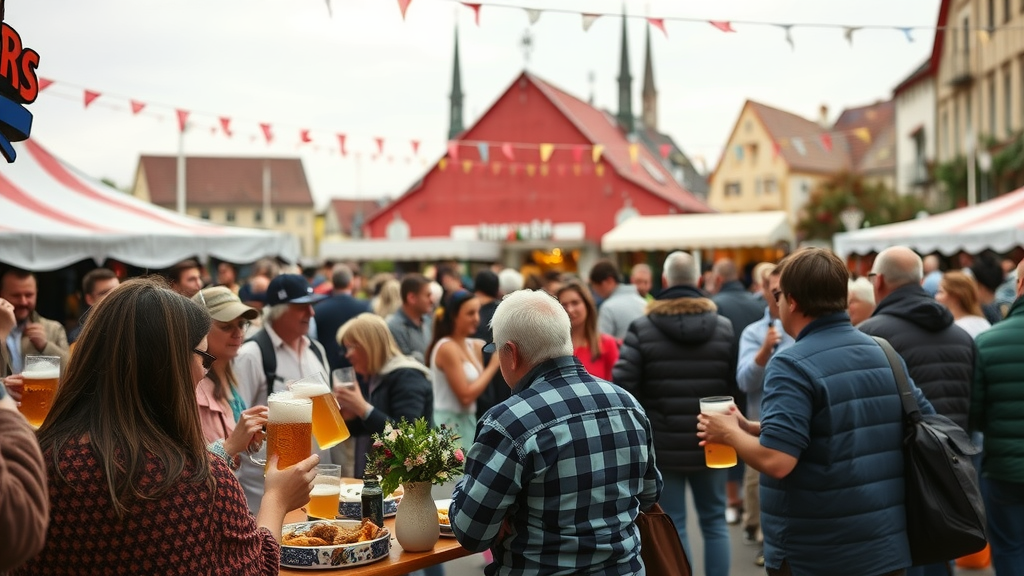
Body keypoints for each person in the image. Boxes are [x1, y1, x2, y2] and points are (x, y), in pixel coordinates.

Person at [13, 278, 319, 575]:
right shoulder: (202, 481)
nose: (203, 372)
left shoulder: (32, 464)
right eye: (203, 357)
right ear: (170, 365)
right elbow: (258, 569)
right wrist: (276, 500)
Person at [698, 247, 935, 576]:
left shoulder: (790, 362)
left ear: (792, 301)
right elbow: (915, 420)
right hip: (885, 544)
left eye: (779, 296)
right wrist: (752, 428)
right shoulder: (883, 350)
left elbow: (778, 461)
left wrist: (728, 433)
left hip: (820, 551)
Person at [449, 289, 662, 575]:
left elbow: (471, 532)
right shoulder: (628, 405)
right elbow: (649, 496)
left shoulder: (508, 422)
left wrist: (497, 506)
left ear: (511, 354)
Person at [612, 250, 735, 576]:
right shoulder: (723, 327)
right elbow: (734, 383)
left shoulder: (642, 327)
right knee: (715, 520)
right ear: (698, 281)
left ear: (664, 281)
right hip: (715, 440)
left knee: (674, 523)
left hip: (663, 445)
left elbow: (623, 385)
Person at [233, 273, 333, 513]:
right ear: (278, 310)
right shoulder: (252, 354)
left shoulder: (316, 349)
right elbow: (237, 423)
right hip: (265, 499)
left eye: (312, 306)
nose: (311, 313)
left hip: (316, 490)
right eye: (302, 307)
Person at [858, 246, 975, 430]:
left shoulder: (867, 335)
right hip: (958, 451)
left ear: (878, 281)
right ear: (921, 281)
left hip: (904, 454)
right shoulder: (963, 337)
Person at [735, 265, 794, 567]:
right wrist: (763, 351)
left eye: (782, 290)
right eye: (773, 290)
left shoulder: (802, 330)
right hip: (761, 428)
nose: (778, 296)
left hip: (795, 431)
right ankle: (762, 538)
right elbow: (745, 381)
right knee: (758, 488)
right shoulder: (754, 333)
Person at [970, 258, 1024, 575]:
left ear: (1018, 285)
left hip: (1003, 468)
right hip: (1002, 466)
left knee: (1010, 550)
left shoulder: (988, 341)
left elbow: (975, 413)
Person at [334, 313, 433, 477]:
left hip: (405, 483)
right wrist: (351, 417)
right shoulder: (377, 376)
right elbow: (372, 430)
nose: (347, 355)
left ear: (369, 345)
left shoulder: (407, 376)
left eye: (351, 347)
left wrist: (363, 409)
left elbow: (407, 434)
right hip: (384, 478)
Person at [710, 258, 765, 524]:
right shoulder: (757, 304)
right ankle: (749, 499)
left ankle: (734, 500)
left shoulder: (716, 305)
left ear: (718, 278)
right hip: (754, 380)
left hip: (726, 383)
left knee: (729, 439)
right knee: (751, 434)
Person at [192, 286, 267, 471]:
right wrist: (232, 445)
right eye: (226, 326)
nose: (238, 333)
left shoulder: (229, 375)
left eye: (241, 324)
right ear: (198, 331)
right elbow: (190, 469)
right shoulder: (192, 386)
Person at [0, 296, 48, 572]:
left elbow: (64, 366)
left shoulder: (48, 327)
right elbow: (19, 527)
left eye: (29, 294)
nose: (23, 301)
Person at [427, 290, 500, 450]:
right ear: (454, 315)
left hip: (469, 422)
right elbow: (465, 396)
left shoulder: (474, 345)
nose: (476, 319)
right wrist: (493, 366)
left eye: (477, 312)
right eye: (470, 313)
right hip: (449, 425)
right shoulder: (447, 347)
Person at [1, 269, 70, 399]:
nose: (23, 302)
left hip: (39, 411)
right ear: (2, 294)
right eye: (16, 295)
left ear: (36, 294)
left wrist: (45, 346)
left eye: (29, 295)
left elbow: (72, 373)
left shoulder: (53, 328)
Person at [312, 264, 370, 373]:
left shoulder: (318, 310)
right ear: (351, 283)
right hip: (359, 371)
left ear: (332, 282)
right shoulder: (365, 308)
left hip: (328, 370)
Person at [556, 280, 619, 381]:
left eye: (575, 303)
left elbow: (616, 386)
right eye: (564, 305)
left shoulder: (606, 344)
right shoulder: (553, 348)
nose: (570, 309)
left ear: (587, 305)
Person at [589, 259, 646, 341]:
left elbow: (602, 343)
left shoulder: (608, 308)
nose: (594, 290)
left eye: (594, 285)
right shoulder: (644, 302)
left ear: (609, 281)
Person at [386, 273, 434, 365]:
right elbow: (406, 362)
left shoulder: (428, 322)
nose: (432, 300)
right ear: (411, 298)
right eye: (427, 296)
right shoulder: (393, 327)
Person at [67, 267, 120, 345]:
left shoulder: (134, 326)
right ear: (89, 299)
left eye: (118, 291)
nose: (113, 296)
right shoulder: (79, 337)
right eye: (104, 293)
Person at [936, 271, 991, 339]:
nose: (936, 297)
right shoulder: (984, 323)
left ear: (955, 296)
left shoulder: (954, 330)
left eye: (940, 292)